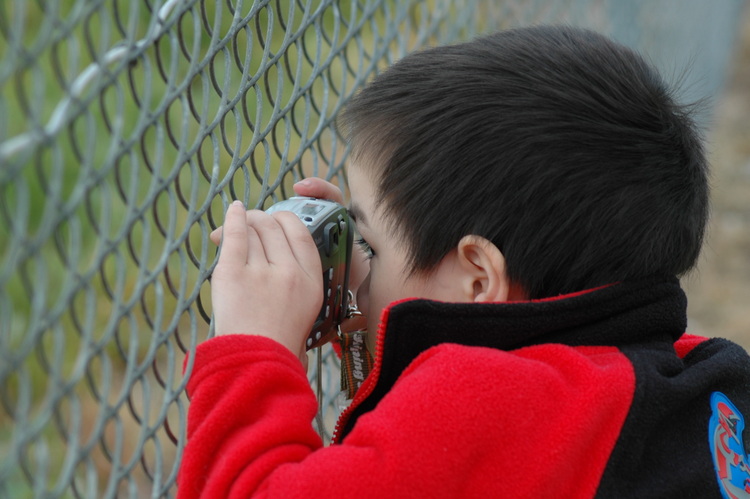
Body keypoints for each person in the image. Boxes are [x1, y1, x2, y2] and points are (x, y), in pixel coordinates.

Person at [177, 25, 750, 498]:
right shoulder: (696, 381)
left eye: (369, 245)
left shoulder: (482, 405)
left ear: (479, 279)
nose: (354, 255)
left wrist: (254, 350)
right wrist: (356, 312)